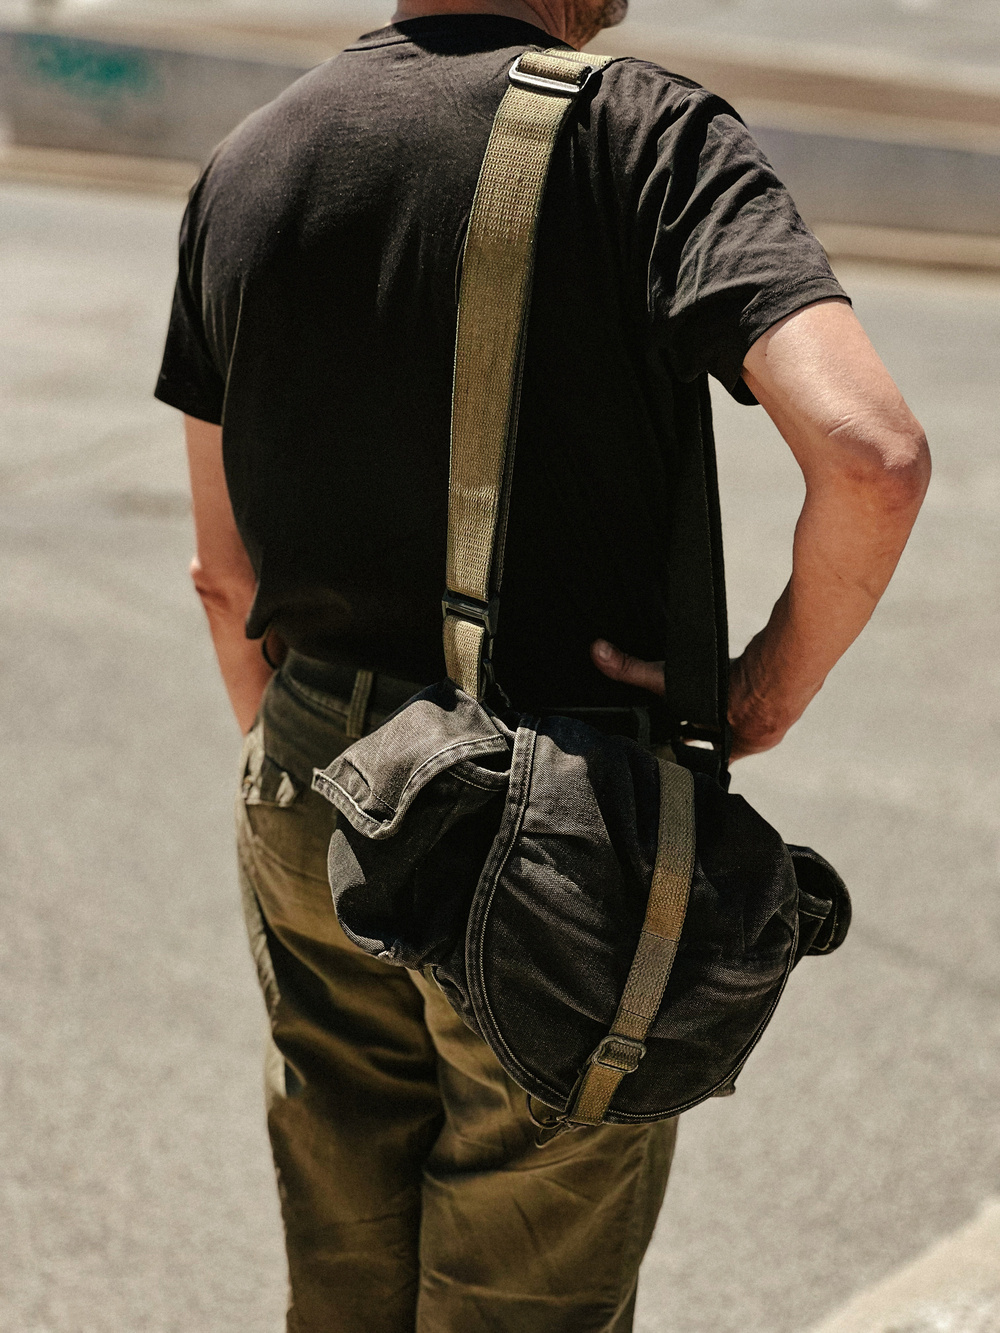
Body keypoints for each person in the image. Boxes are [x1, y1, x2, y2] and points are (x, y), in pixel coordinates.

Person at [155, 1, 930, 1329]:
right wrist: (761, 693)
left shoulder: (248, 163)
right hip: (553, 820)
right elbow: (871, 454)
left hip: (308, 778)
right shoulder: (642, 134)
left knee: (341, 1280)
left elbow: (226, 577)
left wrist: (325, 773)